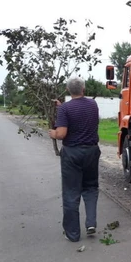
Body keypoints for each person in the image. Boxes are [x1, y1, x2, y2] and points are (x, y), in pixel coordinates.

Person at [49, 77, 101, 242]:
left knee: (71, 192)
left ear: (68, 90)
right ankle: (91, 223)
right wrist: (61, 108)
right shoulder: (93, 105)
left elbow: (62, 133)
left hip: (72, 153)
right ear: (83, 89)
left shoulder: (66, 109)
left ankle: (72, 234)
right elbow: (80, 113)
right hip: (92, 151)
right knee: (91, 187)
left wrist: (53, 133)